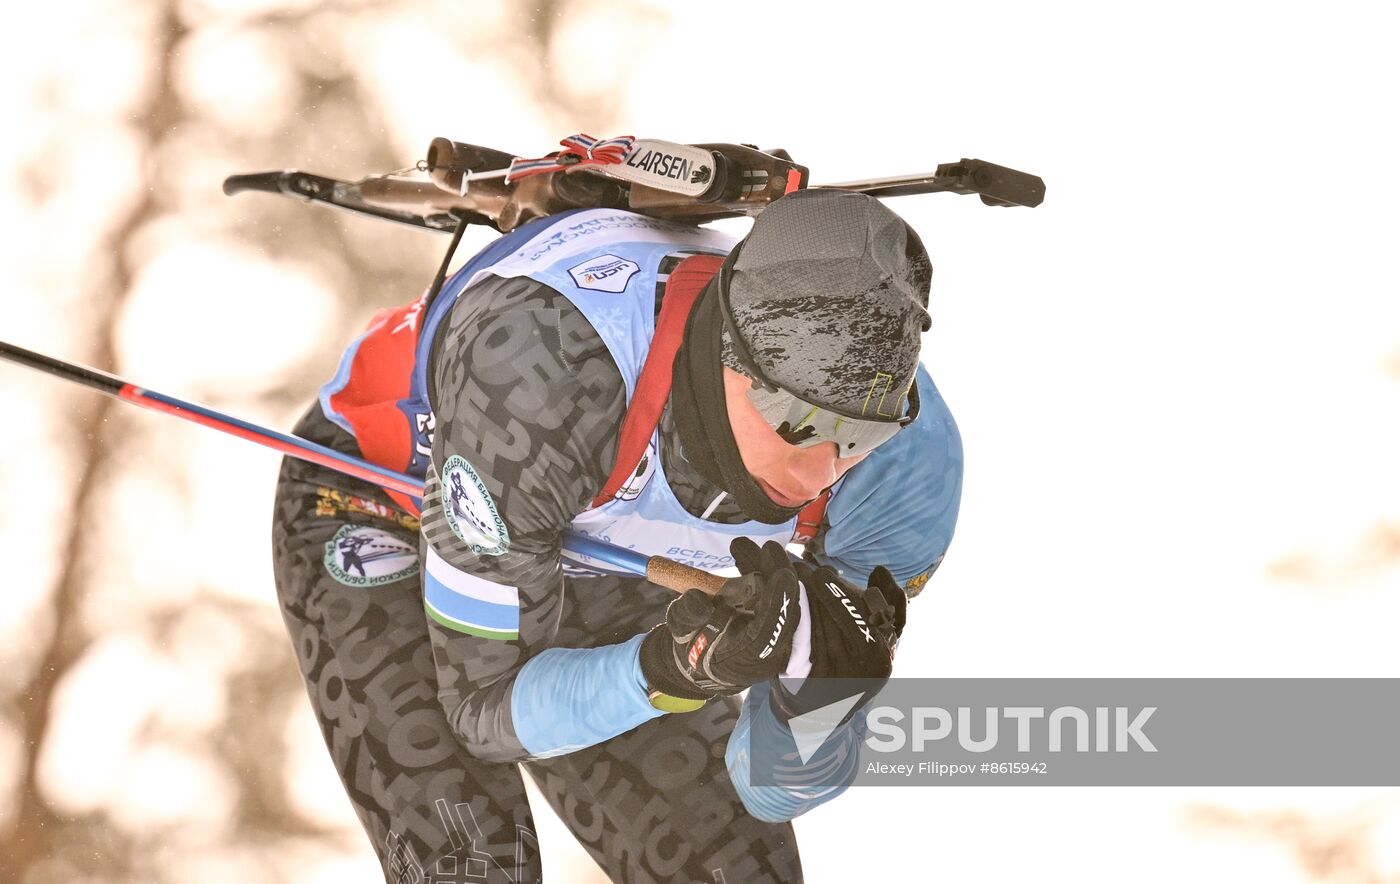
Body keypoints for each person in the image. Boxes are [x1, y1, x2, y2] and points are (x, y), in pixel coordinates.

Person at [271, 189, 963, 883]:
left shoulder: (907, 466)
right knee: (474, 867)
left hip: (606, 553)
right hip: (376, 498)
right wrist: (667, 670)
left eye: (859, 432)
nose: (821, 469)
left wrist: (815, 695)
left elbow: (773, 788)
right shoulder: (550, 368)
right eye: (795, 418)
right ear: (728, 353)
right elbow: (485, 709)